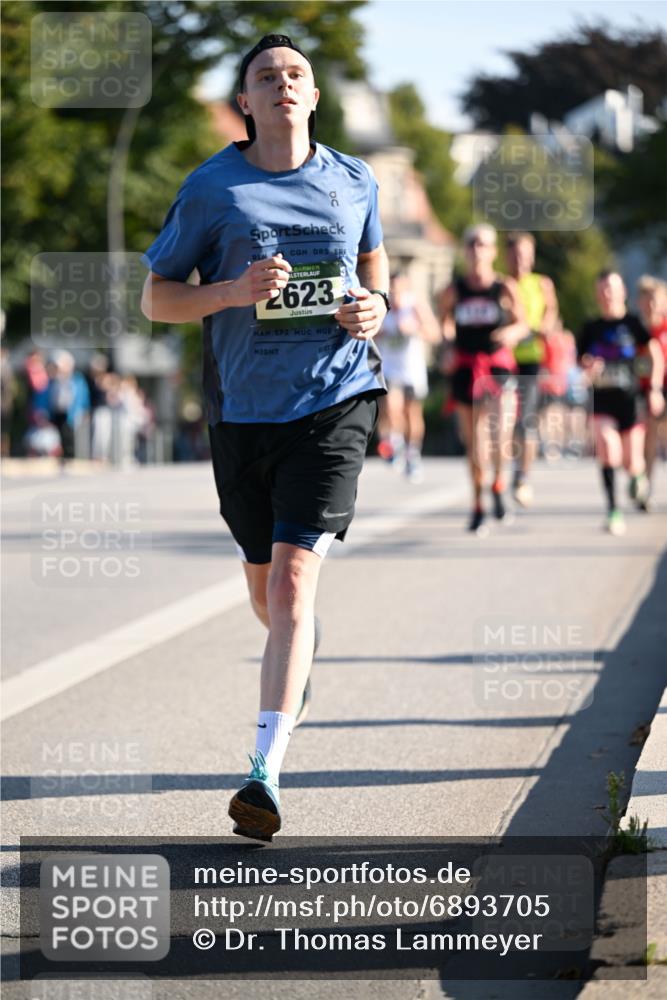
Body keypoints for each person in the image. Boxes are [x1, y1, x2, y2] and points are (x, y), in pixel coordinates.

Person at [140, 34, 389, 841]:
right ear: (244, 101)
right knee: (266, 592)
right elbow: (157, 300)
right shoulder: (213, 189)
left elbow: (374, 269)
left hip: (336, 399)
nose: (282, 83)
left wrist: (374, 308)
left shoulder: (354, 179)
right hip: (244, 412)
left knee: (289, 584)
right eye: (264, 75)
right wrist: (230, 292)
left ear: (312, 96)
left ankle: (264, 770)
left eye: (295, 74)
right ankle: (298, 655)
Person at [438, 223, 527, 534]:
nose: (477, 249)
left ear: (492, 252)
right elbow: (444, 322)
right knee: (475, 445)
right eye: (472, 243)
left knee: (500, 434)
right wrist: (447, 346)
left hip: (497, 367)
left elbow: (522, 323)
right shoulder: (455, 289)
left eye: (483, 244)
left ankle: (500, 484)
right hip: (466, 368)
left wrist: (510, 333)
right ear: (466, 250)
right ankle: (478, 503)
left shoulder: (503, 288)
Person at [577, 271, 664, 536]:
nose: (607, 294)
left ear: (622, 292)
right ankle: (613, 511)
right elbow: (581, 366)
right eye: (602, 289)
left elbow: (655, 356)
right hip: (602, 401)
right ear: (597, 294)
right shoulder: (590, 328)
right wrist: (589, 367)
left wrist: (655, 389)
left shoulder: (634, 324)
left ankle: (638, 478)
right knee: (607, 449)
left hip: (631, 401)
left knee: (631, 461)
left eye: (611, 289)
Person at [505, 232, 558, 506]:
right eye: (515, 255)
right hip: (502, 360)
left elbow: (551, 315)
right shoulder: (500, 284)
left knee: (525, 420)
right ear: (507, 256)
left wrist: (536, 328)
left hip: (530, 359)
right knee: (504, 420)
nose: (521, 261)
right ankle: (500, 476)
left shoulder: (541, 284)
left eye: (525, 255)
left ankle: (522, 477)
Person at [375, 271, 440, 482]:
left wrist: (415, 329)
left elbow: (435, 333)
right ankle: (395, 444)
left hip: (412, 368)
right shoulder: (383, 306)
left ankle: (413, 453)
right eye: (392, 288)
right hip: (390, 367)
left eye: (399, 288)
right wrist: (381, 333)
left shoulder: (415, 306)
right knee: (392, 408)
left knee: (412, 412)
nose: (395, 293)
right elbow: (369, 333)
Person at [637, 275, 667, 491]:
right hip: (643, 388)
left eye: (655, 300)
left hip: (663, 386)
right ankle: (645, 484)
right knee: (648, 437)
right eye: (647, 300)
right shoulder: (637, 330)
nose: (651, 306)